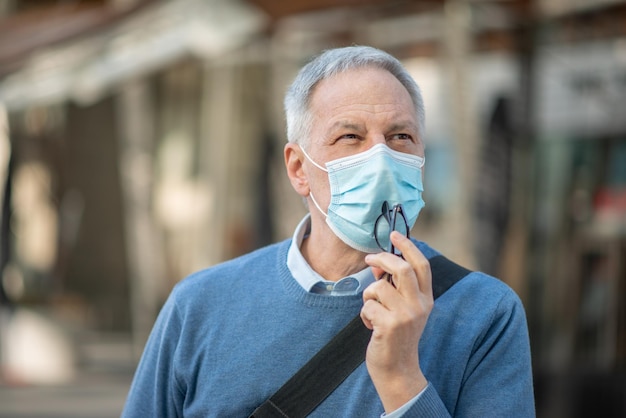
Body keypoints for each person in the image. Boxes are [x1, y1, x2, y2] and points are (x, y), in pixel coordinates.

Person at [122, 45, 535, 417]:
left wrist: (402, 380)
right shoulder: (198, 306)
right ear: (299, 169)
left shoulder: (486, 314)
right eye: (350, 136)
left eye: (401, 136)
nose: (380, 157)